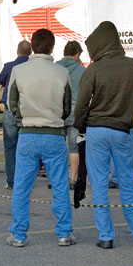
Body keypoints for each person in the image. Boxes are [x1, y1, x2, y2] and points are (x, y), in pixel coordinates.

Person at [73, 22, 133, 249]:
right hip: (123, 130)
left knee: (98, 184)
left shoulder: (93, 70)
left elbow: (81, 105)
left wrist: (80, 126)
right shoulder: (132, 65)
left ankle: (106, 236)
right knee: (128, 182)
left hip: (96, 131)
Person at [5, 29, 75, 247]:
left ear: (32, 46)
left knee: (22, 188)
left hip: (28, 133)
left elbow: (11, 103)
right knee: (60, 186)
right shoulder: (62, 72)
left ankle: (18, 234)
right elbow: (66, 106)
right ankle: (64, 233)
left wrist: (23, 119)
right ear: (52, 47)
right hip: (53, 134)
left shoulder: (18, 70)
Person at [0, 40, 32, 189]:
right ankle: (26, 180)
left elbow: (0, 81)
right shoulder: (32, 67)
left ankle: (12, 181)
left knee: (10, 146)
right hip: (28, 110)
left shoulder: (8, 66)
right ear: (30, 52)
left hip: (10, 110)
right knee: (27, 148)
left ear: (17, 51)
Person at [56, 41, 85, 187]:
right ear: (77, 54)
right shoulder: (81, 71)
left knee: (58, 148)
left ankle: (58, 179)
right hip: (74, 114)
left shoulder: (55, 67)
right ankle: (73, 179)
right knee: (74, 148)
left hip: (57, 113)